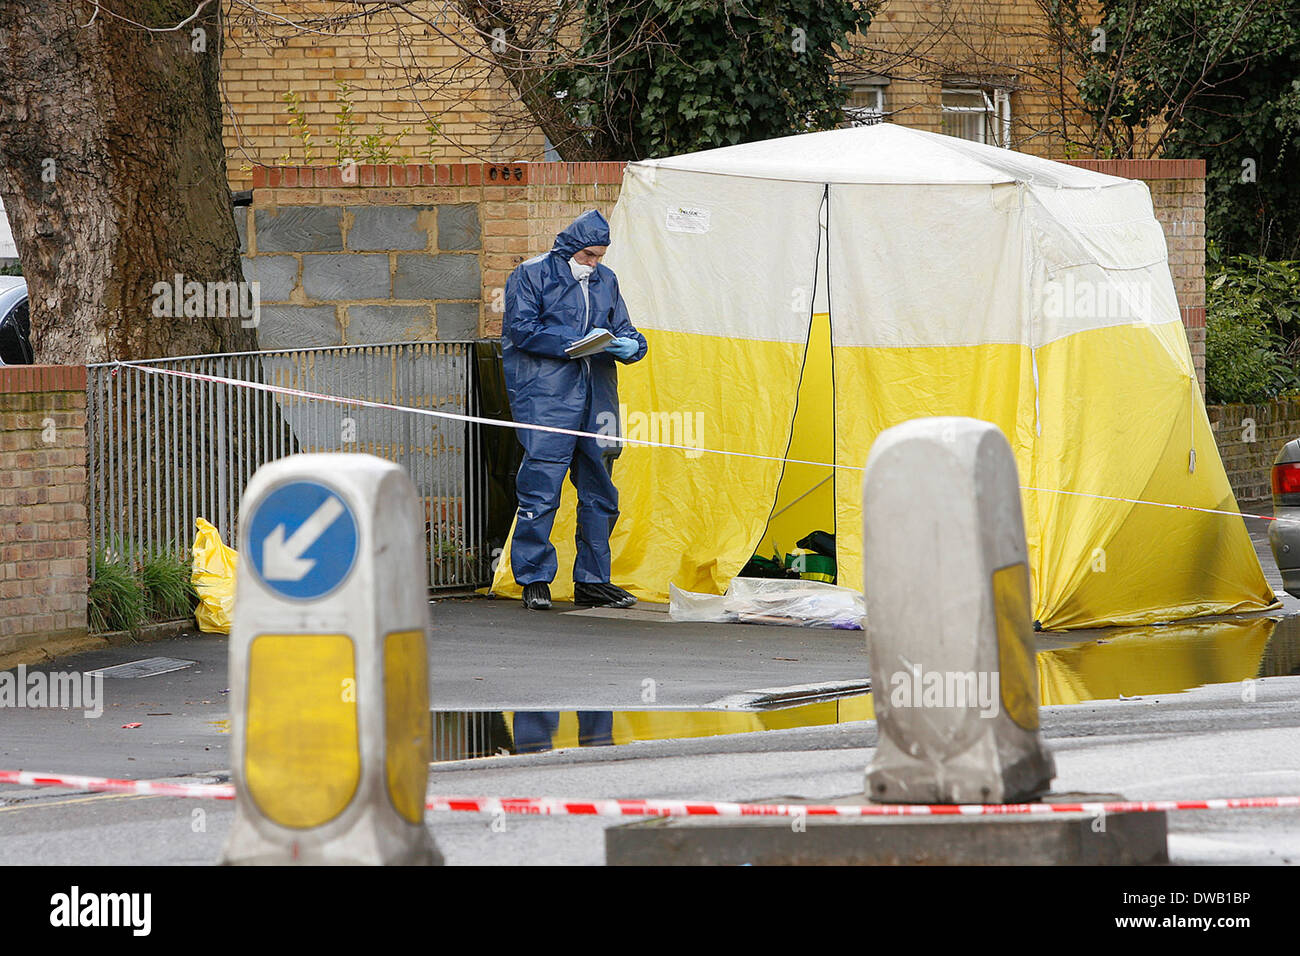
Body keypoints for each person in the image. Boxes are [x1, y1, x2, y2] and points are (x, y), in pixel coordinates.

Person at [502, 209, 648, 610]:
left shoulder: (606, 281)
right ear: (568, 249)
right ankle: (534, 579)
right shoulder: (532, 275)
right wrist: (576, 342)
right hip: (546, 397)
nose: (593, 264)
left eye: (599, 257)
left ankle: (593, 580)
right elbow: (523, 330)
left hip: (597, 395)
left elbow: (626, 328)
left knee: (600, 486)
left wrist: (633, 345)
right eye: (588, 256)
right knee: (541, 488)